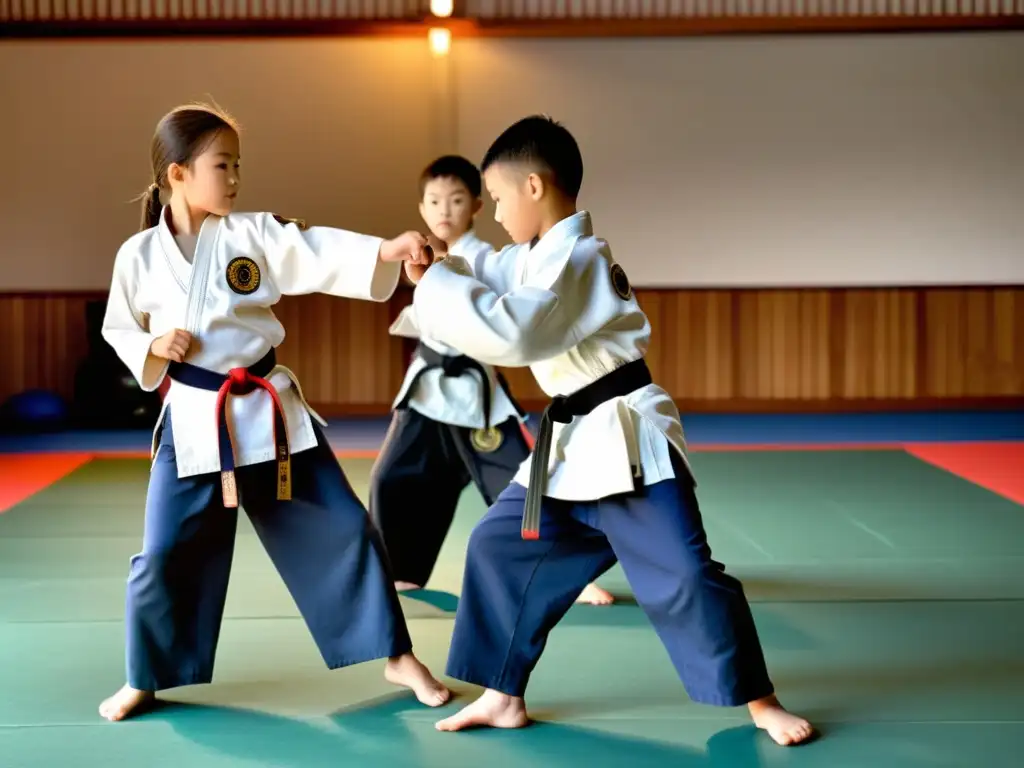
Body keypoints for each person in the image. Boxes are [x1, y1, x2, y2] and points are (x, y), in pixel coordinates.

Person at [405, 115, 815, 747]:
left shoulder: (580, 259)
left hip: (626, 439)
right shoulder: (535, 257)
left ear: (535, 187)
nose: (493, 214)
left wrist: (436, 283)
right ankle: (502, 694)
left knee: (684, 574)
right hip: (572, 446)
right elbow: (488, 277)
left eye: (497, 198)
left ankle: (761, 703)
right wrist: (435, 265)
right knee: (497, 545)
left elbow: (515, 333)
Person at [98, 103, 449, 722]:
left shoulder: (253, 233)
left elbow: (314, 250)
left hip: (271, 414)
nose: (234, 179)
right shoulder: (139, 255)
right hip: (194, 417)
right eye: (221, 166)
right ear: (177, 174)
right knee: (163, 553)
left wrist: (388, 250)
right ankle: (146, 675)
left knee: (345, 528)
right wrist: (152, 347)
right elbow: (120, 326)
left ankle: (395, 653)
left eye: (238, 166)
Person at [372, 155, 615, 606]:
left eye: (456, 200)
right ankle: (401, 571)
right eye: (434, 201)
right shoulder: (418, 251)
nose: (444, 210)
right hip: (428, 388)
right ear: (422, 208)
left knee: (523, 481)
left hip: (475, 392)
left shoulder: (486, 258)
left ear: (478, 206)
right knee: (391, 478)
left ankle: (569, 573)